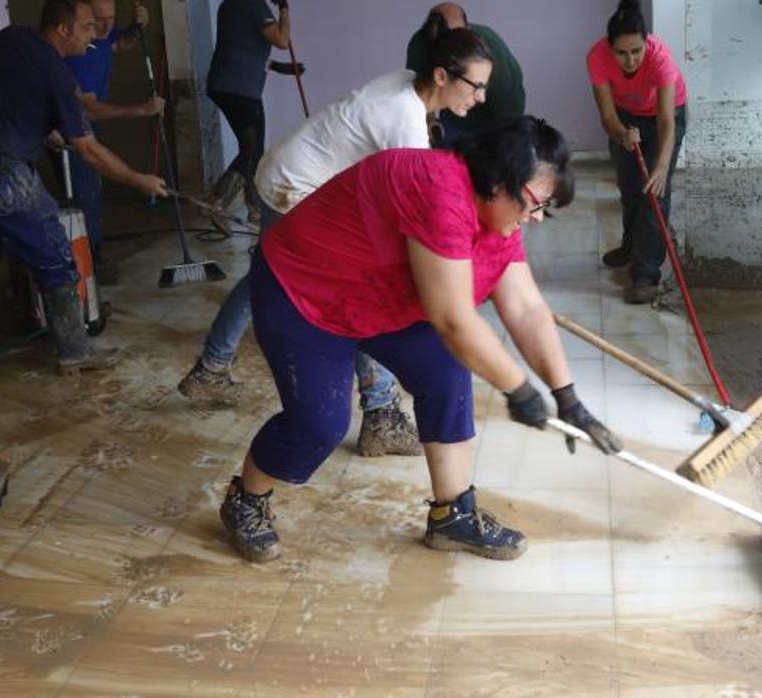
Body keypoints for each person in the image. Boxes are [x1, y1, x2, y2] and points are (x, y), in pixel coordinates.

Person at [216, 116, 622, 564]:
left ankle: (453, 515)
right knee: (319, 425)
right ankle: (245, 499)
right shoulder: (441, 193)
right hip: (306, 294)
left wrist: (567, 396)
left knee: (446, 373)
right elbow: (453, 320)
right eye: (535, 203)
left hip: (381, 300)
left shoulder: (500, 218)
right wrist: (520, 390)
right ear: (499, 181)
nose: (538, 217)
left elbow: (526, 307)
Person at [179, 28, 493, 459]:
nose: (480, 97)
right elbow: (418, 220)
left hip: (290, 173)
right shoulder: (404, 120)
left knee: (270, 277)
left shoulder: (408, 83)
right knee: (357, 292)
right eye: (475, 86)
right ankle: (381, 412)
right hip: (297, 188)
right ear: (441, 75)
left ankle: (211, 367)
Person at [0, 0, 168, 372]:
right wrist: (138, 179)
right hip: (4, 170)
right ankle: (75, 352)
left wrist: (44, 130)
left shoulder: (11, 39)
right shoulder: (58, 74)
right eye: (88, 27)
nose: (94, 35)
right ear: (62, 30)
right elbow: (89, 151)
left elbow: (12, 96)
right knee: (57, 256)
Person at [587, 0, 687, 304]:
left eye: (636, 51)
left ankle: (646, 275)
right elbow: (606, 116)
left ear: (647, 44)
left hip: (666, 113)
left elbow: (667, 122)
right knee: (629, 187)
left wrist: (661, 165)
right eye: (622, 53)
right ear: (609, 47)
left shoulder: (660, 58)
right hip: (624, 114)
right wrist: (621, 134)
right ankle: (631, 246)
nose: (630, 60)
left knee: (654, 192)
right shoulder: (597, 57)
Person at [59, 0, 164, 285]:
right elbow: (89, 109)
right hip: (72, 135)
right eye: (98, 20)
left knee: (92, 190)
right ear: (85, 20)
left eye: (111, 17)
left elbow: (121, 43)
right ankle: (90, 260)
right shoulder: (82, 54)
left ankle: (91, 254)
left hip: (89, 128)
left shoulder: (102, 38)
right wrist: (140, 109)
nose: (105, 26)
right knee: (86, 195)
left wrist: (136, 27)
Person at [204, 0, 291, 222]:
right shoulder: (254, 6)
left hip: (222, 84)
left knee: (251, 149)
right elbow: (282, 40)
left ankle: (253, 207)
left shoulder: (228, 5)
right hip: (240, 88)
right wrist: (284, 9)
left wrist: (278, 67)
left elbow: (243, 46)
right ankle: (217, 200)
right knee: (252, 150)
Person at [405, 3, 525, 147]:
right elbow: (419, 95)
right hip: (450, 111)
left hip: (494, 116)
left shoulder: (492, 48)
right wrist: (430, 124)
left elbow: (509, 109)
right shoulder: (420, 45)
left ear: (467, 30)